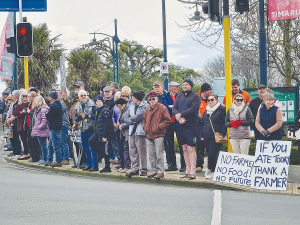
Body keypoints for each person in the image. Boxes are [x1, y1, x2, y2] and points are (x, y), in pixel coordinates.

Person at [173, 79, 201, 179]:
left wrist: (181, 114)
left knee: (190, 148)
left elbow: (194, 108)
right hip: (180, 126)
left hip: (192, 125)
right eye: (183, 84)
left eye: (187, 84)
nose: (184, 86)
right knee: (184, 148)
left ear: (191, 86)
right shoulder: (179, 97)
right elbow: (174, 108)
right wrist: (178, 116)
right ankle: (187, 170)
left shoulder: (196, 96)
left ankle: (193, 171)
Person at [143, 92, 171, 179]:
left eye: (153, 99)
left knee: (159, 154)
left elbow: (167, 120)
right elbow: (143, 120)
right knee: (151, 154)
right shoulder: (147, 109)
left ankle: (160, 171)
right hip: (149, 134)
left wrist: (159, 127)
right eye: (150, 99)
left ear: (157, 99)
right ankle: (154, 171)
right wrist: (145, 128)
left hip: (158, 134)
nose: (152, 101)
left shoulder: (162, 108)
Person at [200, 94, 226, 179]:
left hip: (216, 135)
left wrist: (222, 133)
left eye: (212, 100)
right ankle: (213, 170)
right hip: (206, 135)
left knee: (212, 153)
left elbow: (224, 123)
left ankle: (210, 169)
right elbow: (203, 123)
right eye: (209, 100)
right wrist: (201, 134)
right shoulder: (206, 111)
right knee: (209, 153)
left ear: (216, 100)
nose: (210, 102)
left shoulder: (221, 110)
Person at [124, 91, 149, 177]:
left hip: (140, 131)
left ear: (137, 98)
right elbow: (125, 118)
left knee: (142, 151)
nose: (132, 99)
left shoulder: (145, 106)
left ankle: (144, 169)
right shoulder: (131, 106)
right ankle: (135, 168)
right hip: (132, 131)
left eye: (133, 98)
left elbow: (139, 117)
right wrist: (132, 121)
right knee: (132, 151)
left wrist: (132, 119)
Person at [88, 96, 115, 172]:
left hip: (104, 133)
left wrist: (105, 136)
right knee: (91, 141)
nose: (98, 103)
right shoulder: (98, 110)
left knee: (105, 150)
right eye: (97, 102)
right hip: (99, 131)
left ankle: (107, 167)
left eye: (99, 101)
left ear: (102, 102)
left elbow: (107, 124)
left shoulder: (105, 110)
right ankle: (101, 153)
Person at [161, 81, 184, 172]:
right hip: (169, 123)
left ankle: (183, 165)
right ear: (170, 87)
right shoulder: (165, 96)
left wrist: (172, 107)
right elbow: (165, 108)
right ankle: (172, 165)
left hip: (178, 122)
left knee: (182, 144)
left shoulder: (180, 96)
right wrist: (173, 107)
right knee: (170, 145)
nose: (177, 88)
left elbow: (181, 108)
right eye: (175, 87)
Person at [73, 90, 98, 171]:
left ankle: (95, 165)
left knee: (92, 147)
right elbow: (75, 118)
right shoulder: (77, 105)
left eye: (85, 95)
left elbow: (96, 116)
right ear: (79, 97)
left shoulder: (92, 104)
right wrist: (80, 118)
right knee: (85, 147)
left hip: (91, 128)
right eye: (82, 95)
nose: (83, 97)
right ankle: (89, 164)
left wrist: (88, 116)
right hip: (82, 128)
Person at [196, 83, 212, 172]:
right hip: (200, 125)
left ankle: (211, 165)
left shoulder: (211, 99)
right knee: (200, 145)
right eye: (209, 90)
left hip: (209, 125)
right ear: (205, 91)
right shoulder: (197, 99)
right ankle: (199, 164)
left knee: (210, 146)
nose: (210, 92)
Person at [45, 91, 63, 167]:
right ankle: (49, 160)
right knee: (50, 144)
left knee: (55, 145)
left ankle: (58, 161)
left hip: (54, 127)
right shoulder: (58, 104)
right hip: (56, 126)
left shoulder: (54, 106)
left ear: (51, 97)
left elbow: (48, 116)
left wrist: (47, 113)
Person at [31, 96, 50, 165]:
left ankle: (45, 159)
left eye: (35, 101)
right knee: (42, 144)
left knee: (43, 145)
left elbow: (44, 120)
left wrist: (39, 127)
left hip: (42, 130)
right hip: (40, 130)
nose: (34, 103)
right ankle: (44, 158)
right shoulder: (40, 109)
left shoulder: (43, 109)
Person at [13, 91, 30, 160]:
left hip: (25, 124)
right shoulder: (19, 104)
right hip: (19, 124)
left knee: (25, 139)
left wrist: (20, 113)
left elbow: (24, 114)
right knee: (22, 139)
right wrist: (21, 112)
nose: (25, 97)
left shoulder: (28, 104)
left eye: (26, 96)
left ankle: (26, 153)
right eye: (23, 96)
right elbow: (14, 112)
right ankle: (26, 153)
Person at [116, 98, 131, 173]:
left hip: (128, 132)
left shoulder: (129, 110)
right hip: (122, 132)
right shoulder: (120, 111)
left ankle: (128, 166)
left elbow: (130, 121)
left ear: (124, 105)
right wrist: (119, 126)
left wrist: (123, 126)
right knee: (123, 149)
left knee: (127, 150)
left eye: (119, 106)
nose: (119, 108)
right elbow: (118, 120)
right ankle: (124, 165)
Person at [26, 90, 41, 162]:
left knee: (35, 143)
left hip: (34, 126)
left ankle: (36, 157)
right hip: (29, 125)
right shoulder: (29, 104)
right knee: (30, 142)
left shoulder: (36, 104)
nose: (28, 98)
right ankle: (33, 156)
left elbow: (36, 113)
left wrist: (30, 112)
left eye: (29, 96)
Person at [6, 90, 22, 158]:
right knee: (12, 138)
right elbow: (9, 112)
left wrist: (11, 118)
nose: (11, 96)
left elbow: (16, 113)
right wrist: (8, 118)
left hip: (16, 123)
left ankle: (17, 152)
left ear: (15, 96)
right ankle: (14, 152)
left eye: (12, 95)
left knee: (16, 138)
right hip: (11, 123)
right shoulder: (13, 103)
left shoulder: (18, 103)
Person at [58, 88, 71, 165]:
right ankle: (63, 157)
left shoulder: (65, 100)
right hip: (59, 124)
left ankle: (66, 158)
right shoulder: (59, 101)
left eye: (59, 91)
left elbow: (60, 109)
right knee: (60, 142)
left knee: (63, 142)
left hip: (64, 123)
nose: (58, 92)